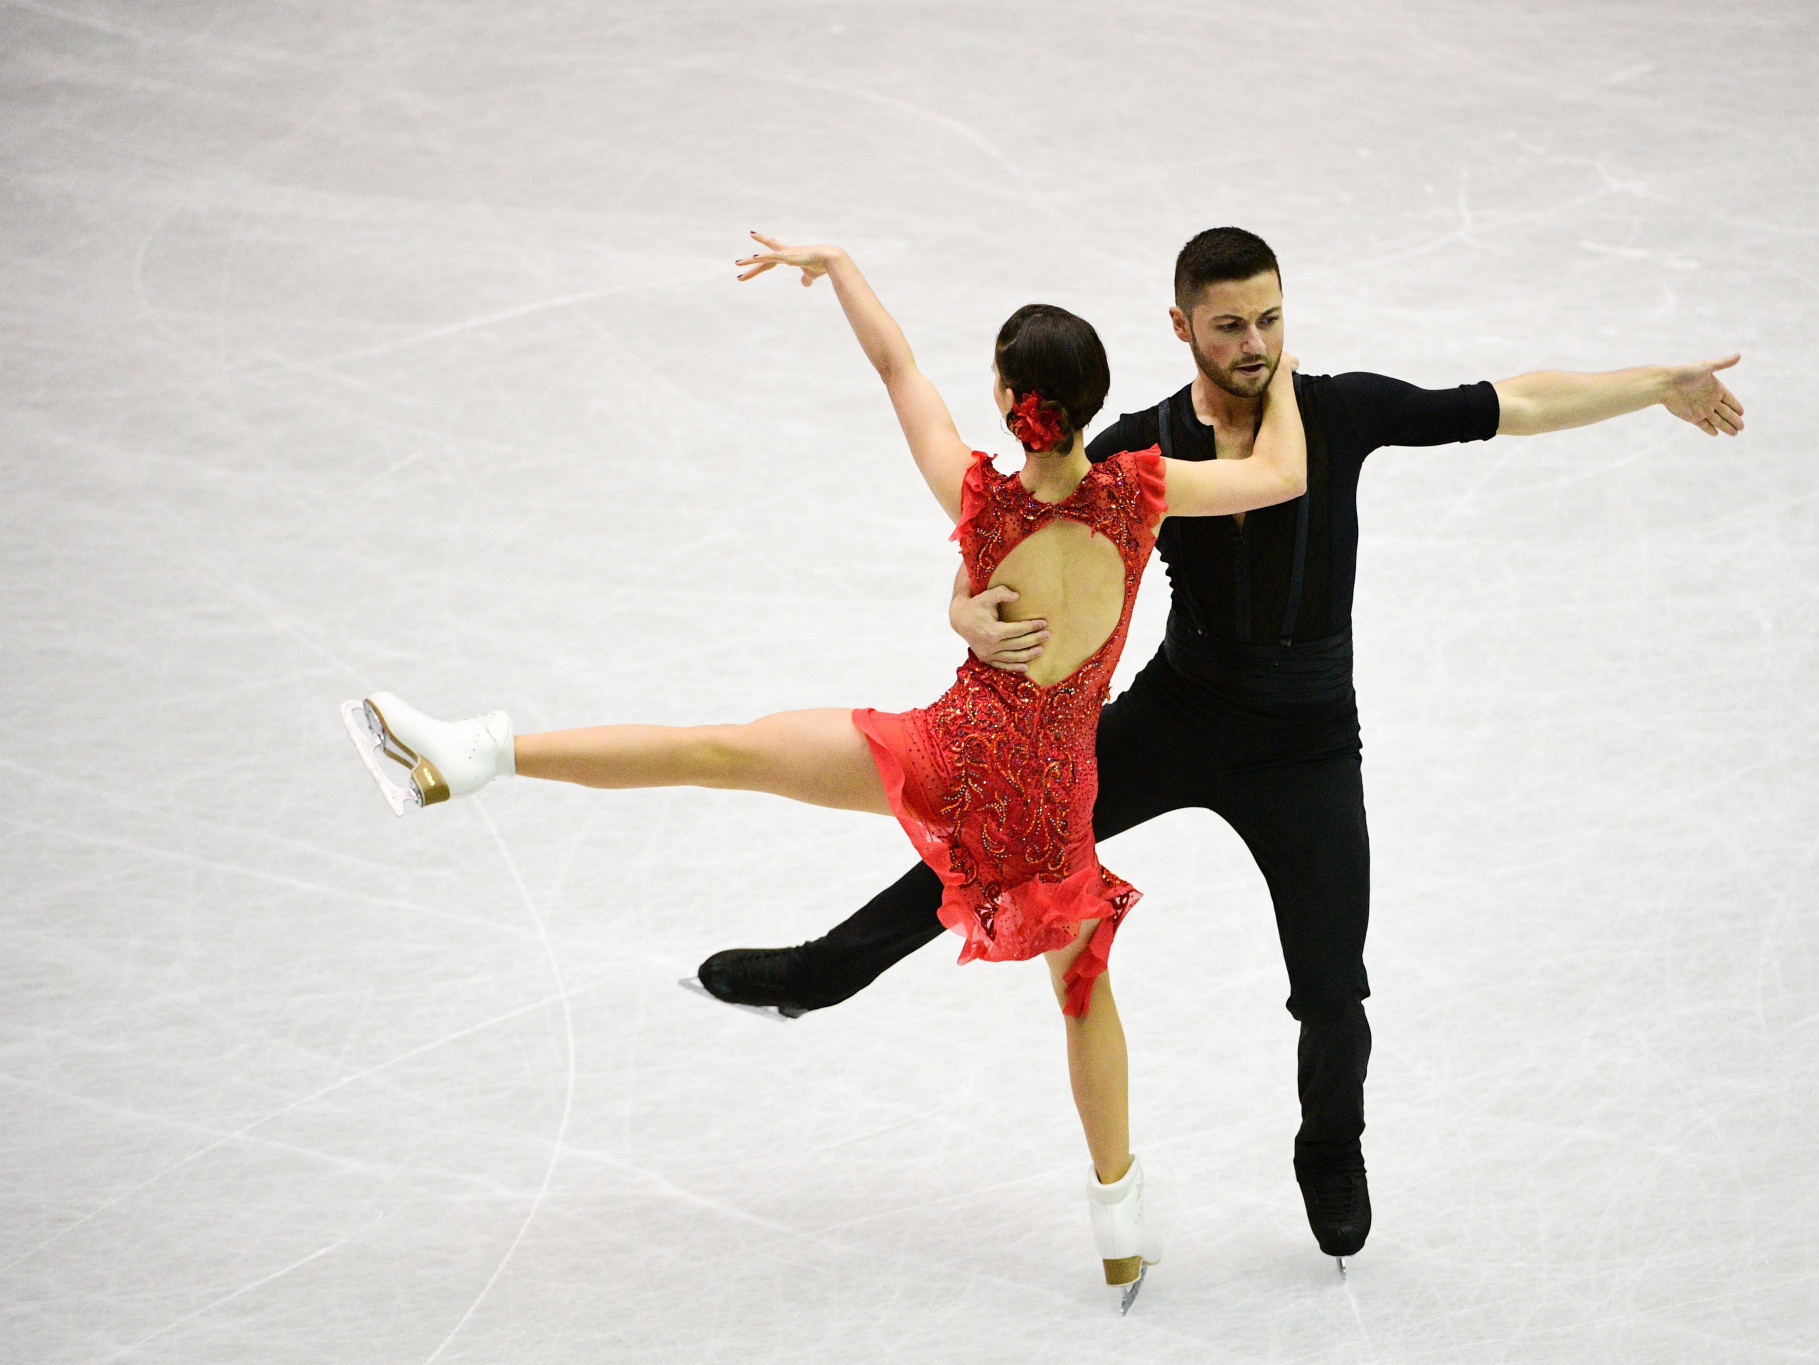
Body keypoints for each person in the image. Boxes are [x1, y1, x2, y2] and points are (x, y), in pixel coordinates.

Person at [694, 226, 1747, 1273]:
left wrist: (1656, 383)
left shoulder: (1337, 409)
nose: (1256, 342)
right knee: (995, 822)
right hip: (1181, 710)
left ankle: (1330, 1146)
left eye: (1271, 319)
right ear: (1180, 326)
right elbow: (1008, 532)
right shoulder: (1136, 446)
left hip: (1307, 741)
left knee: (1333, 988)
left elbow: (1508, 403)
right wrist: (964, 612)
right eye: (1231, 324)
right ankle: (823, 972)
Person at [339, 233, 1308, 1309]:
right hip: (1047, 811)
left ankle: (479, 756)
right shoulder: (1140, 495)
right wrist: (1285, 353)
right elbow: (1281, 471)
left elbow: (899, 372)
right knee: (1083, 994)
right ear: (1092, 402)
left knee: (718, 750)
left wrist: (840, 269)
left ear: (1007, 399)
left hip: (947, 759)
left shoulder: (980, 499)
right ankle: (1120, 1227)